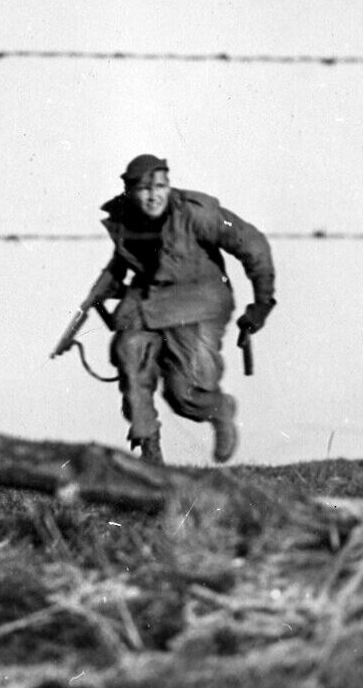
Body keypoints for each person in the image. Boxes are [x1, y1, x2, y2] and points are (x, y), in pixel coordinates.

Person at [66, 154, 275, 465]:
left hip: (199, 302)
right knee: (129, 354)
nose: (154, 196)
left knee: (183, 394)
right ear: (130, 191)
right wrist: (106, 286)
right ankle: (150, 454)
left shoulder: (197, 213)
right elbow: (124, 257)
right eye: (144, 189)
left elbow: (252, 243)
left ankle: (219, 409)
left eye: (161, 186)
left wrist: (262, 302)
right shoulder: (125, 216)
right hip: (147, 301)